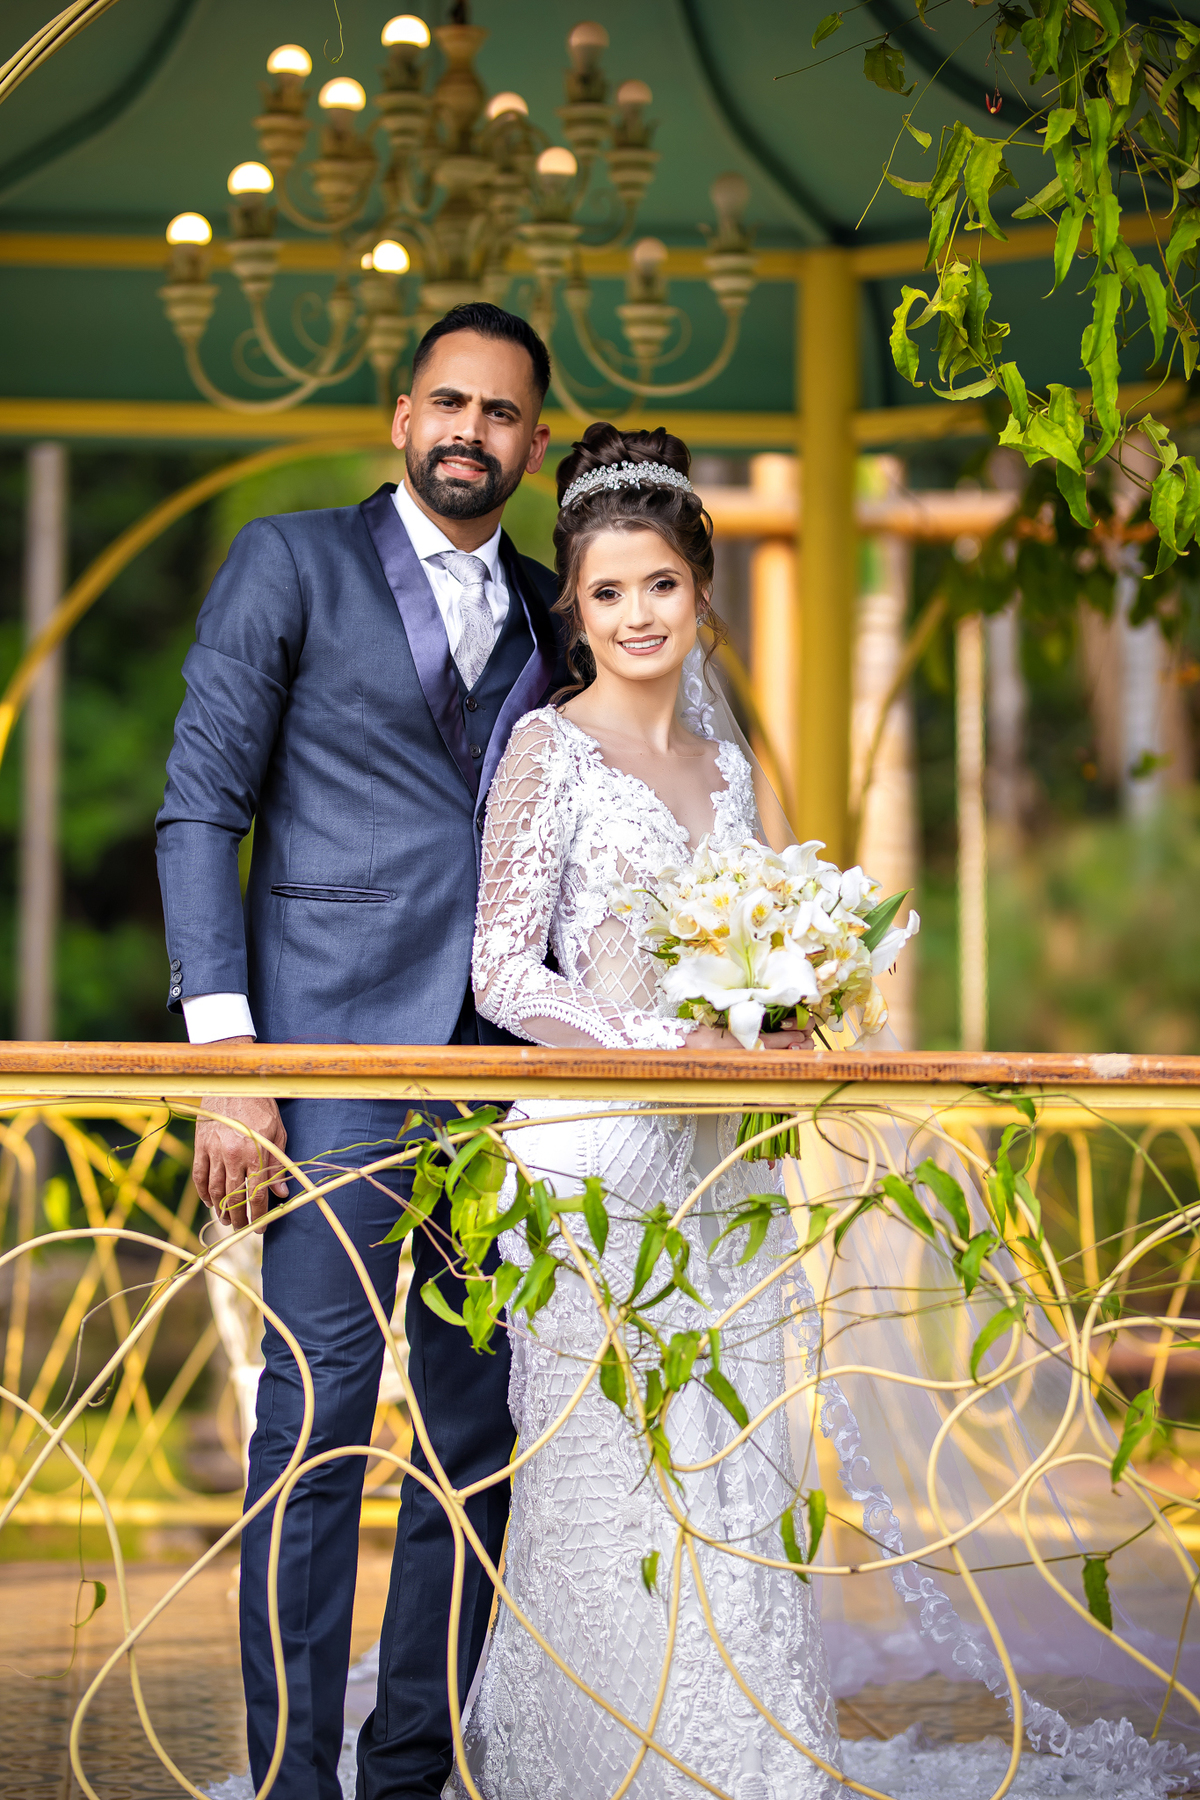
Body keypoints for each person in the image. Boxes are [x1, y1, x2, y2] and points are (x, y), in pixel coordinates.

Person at [155, 302, 568, 1800]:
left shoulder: (558, 609)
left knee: (477, 1428)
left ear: (534, 441)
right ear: (403, 418)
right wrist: (231, 1068)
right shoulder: (289, 562)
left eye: (501, 412)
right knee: (317, 1415)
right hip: (324, 1060)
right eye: (448, 403)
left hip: (502, 1078)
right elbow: (200, 809)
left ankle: (407, 1766)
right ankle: (292, 1780)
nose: (471, 431)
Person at [459, 422, 842, 1799]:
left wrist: (781, 1007)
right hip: (593, 1156)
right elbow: (503, 973)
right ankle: (602, 1764)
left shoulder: (732, 773)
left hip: (719, 1159)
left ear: (700, 591)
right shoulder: (546, 753)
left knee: (729, 1453)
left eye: (661, 586)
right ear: (574, 604)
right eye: (608, 591)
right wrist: (660, 1044)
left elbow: (757, 940)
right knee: (607, 1465)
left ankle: (742, 1755)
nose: (637, 615)